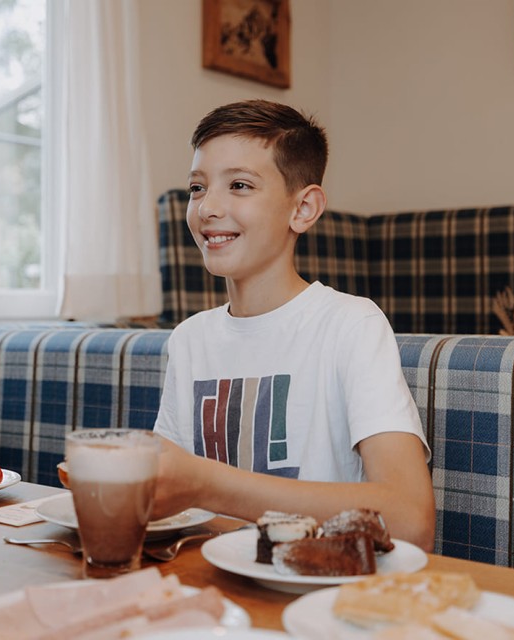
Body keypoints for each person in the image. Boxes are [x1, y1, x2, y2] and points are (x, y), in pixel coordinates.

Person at [151, 99, 435, 551]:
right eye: (197, 188)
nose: (207, 208)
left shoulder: (351, 324)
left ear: (303, 209)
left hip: (318, 590)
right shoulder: (190, 339)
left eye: (240, 185)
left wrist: (207, 484)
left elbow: (410, 519)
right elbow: (168, 494)